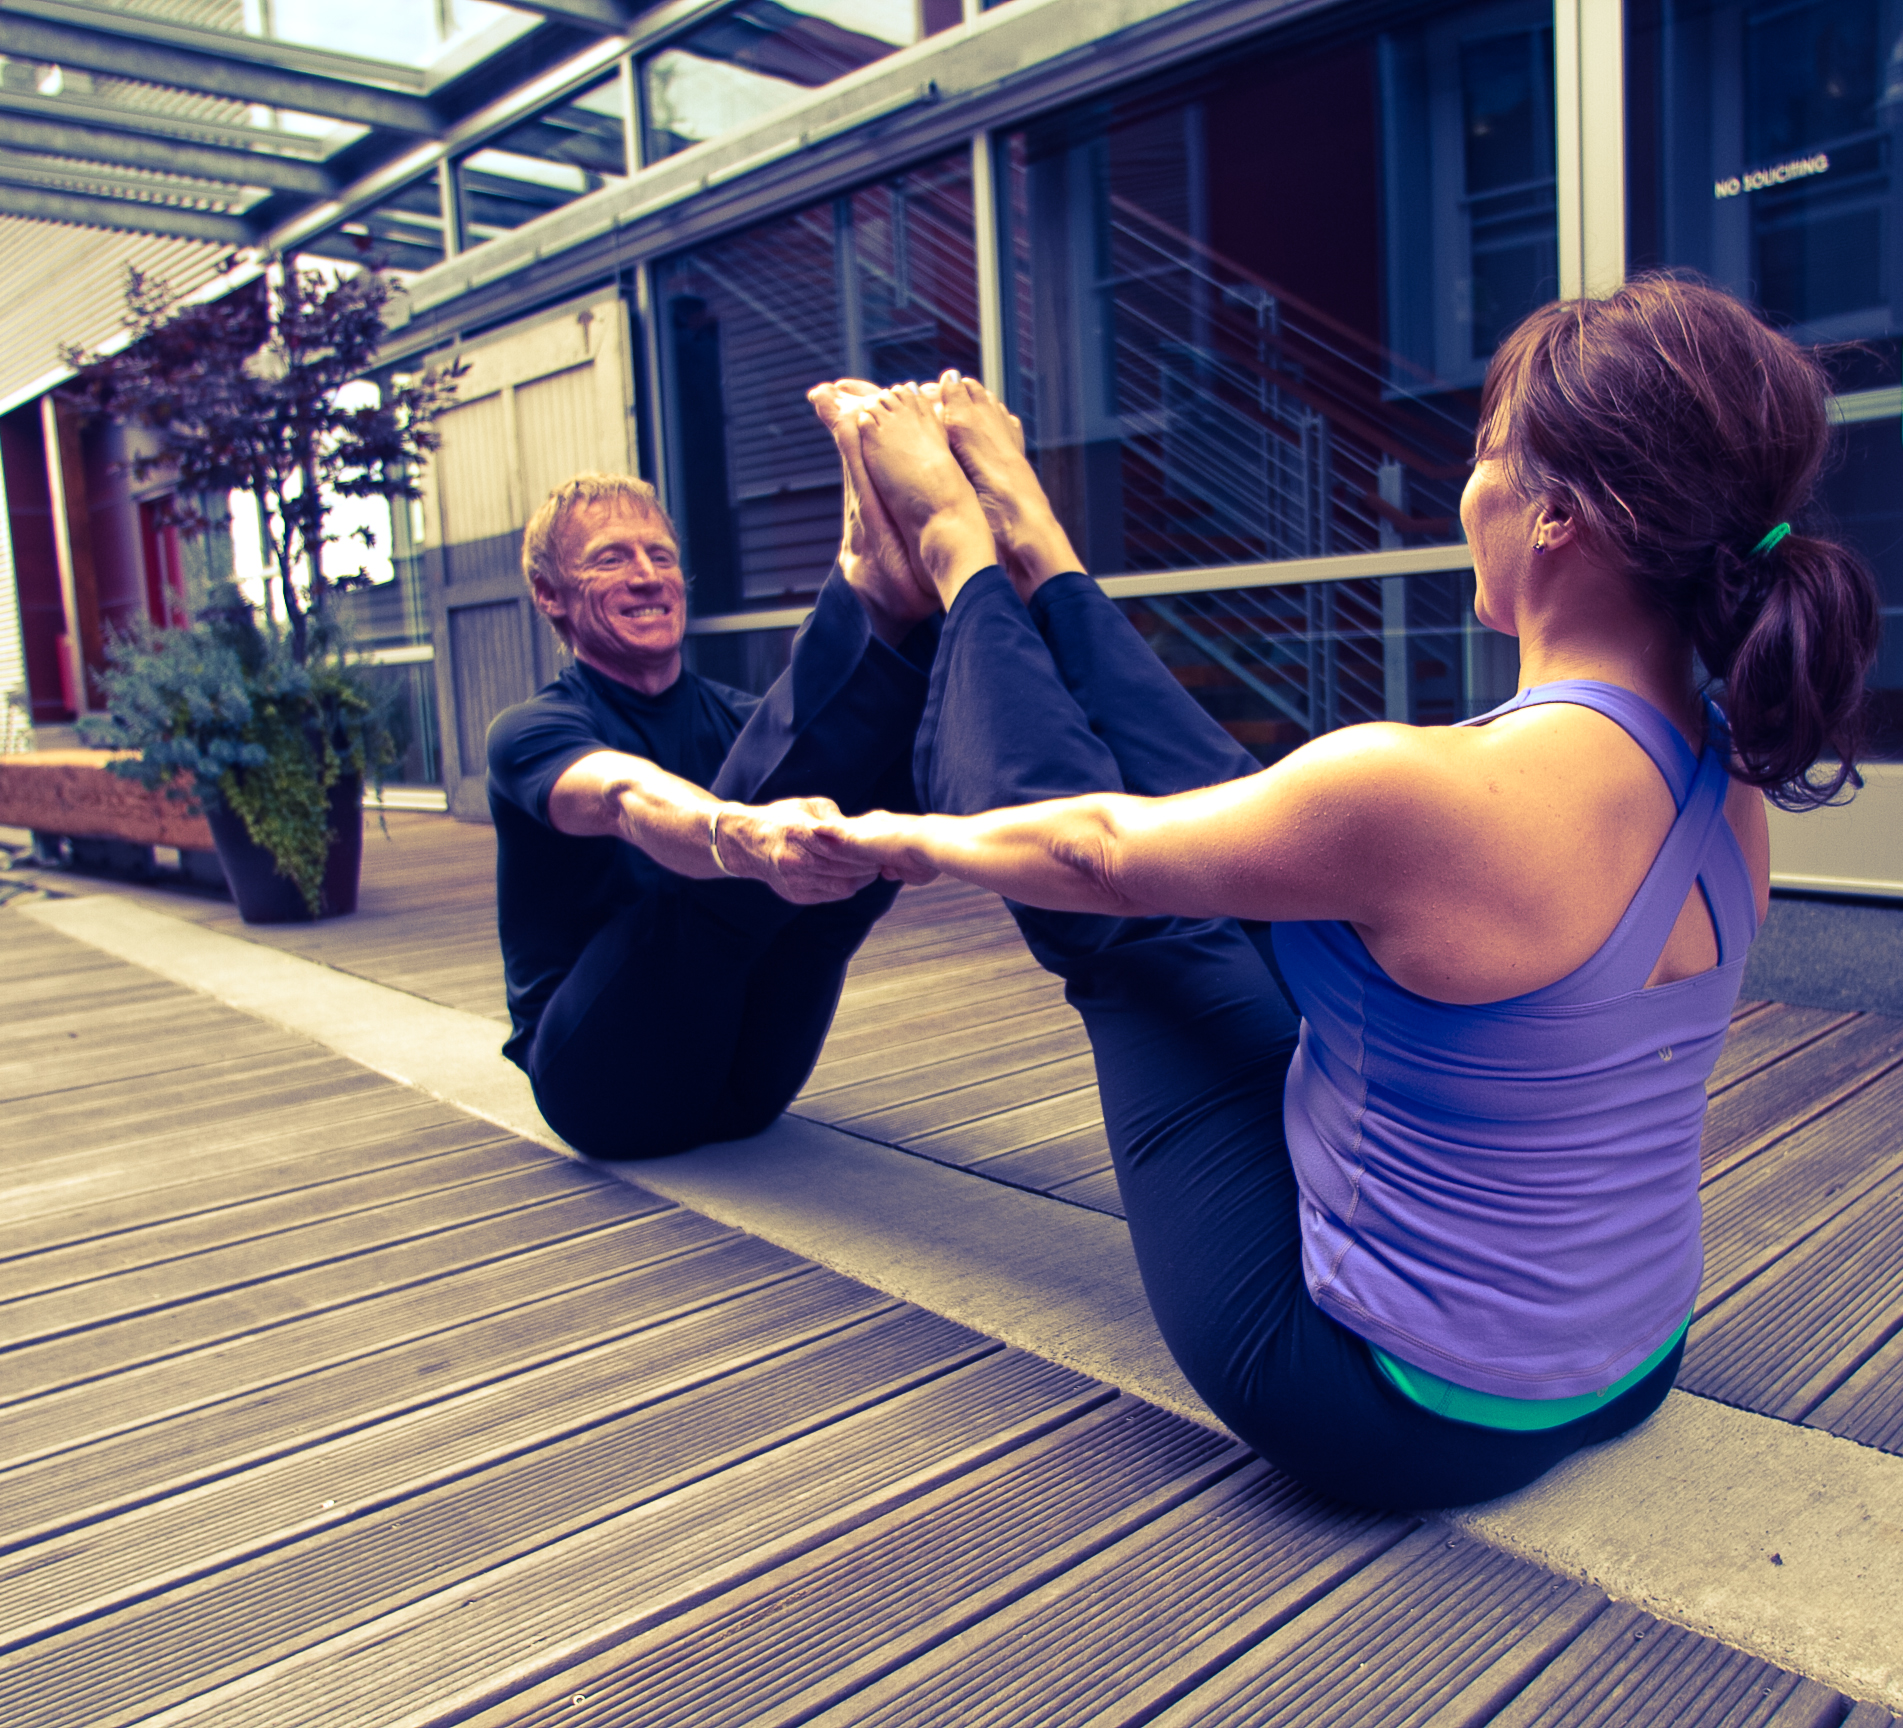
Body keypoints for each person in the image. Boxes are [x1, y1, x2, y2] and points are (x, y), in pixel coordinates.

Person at [816, 275, 1881, 1508]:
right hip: (1631, 1357)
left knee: (1145, 935)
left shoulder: (1424, 795)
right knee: (1249, 821)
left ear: (1557, 519)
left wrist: (882, 835)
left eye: (1487, 456)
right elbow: (1268, 825)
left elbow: (1098, 854)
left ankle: (961, 554)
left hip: (1386, 1406)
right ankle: (1040, 550)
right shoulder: (1725, 773)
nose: (1466, 487)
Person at [485, 398, 941, 1160]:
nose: (646, 577)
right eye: (609, 559)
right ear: (549, 595)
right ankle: (866, 586)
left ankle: (927, 592)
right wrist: (744, 836)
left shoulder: (739, 720)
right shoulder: (532, 732)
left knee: (845, 833)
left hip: (749, 1085)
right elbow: (623, 798)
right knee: (710, 877)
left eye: (660, 556)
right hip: (601, 1087)